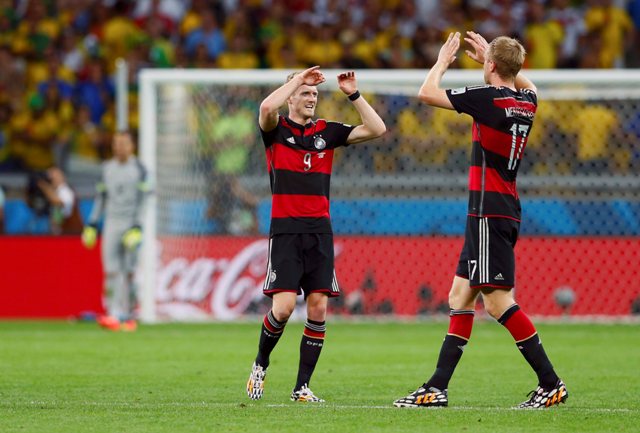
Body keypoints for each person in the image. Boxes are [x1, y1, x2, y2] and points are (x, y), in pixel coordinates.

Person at [393, 32, 568, 409]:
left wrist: (443, 60)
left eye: (488, 62)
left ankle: (551, 383)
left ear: (490, 66)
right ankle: (437, 387)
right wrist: (495, 58)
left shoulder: (488, 99)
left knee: (498, 303)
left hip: (489, 211)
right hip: (499, 208)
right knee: (459, 296)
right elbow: (529, 82)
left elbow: (426, 92)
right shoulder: (526, 102)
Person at [246, 66, 386, 402]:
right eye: (305, 93)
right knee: (281, 309)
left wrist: (353, 94)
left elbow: (377, 128)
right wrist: (297, 80)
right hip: (286, 231)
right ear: (291, 96)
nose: (311, 98)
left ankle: (301, 388)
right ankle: (260, 364)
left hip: (320, 231)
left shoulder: (328, 131)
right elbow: (266, 108)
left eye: (314, 94)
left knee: (319, 308)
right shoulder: (276, 130)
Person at [82, 131, 150, 332]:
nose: (119, 147)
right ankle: (112, 313)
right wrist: (93, 223)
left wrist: (138, 226)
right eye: (116, 143)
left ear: (132, 146)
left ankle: (129, 314)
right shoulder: (107, 169)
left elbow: (145, 200)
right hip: (112, 223)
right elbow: (101, 197)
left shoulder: (140, 169)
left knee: (129, 271)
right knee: (110, 271)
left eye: (123, 143)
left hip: (131, 225)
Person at [36, 166, 83, 235]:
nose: (50, 178)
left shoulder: (65, 190)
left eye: (53, 176)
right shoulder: (56, 192)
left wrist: (44, 186)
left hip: (72, 235)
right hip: (61, 234)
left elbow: (59, 202)